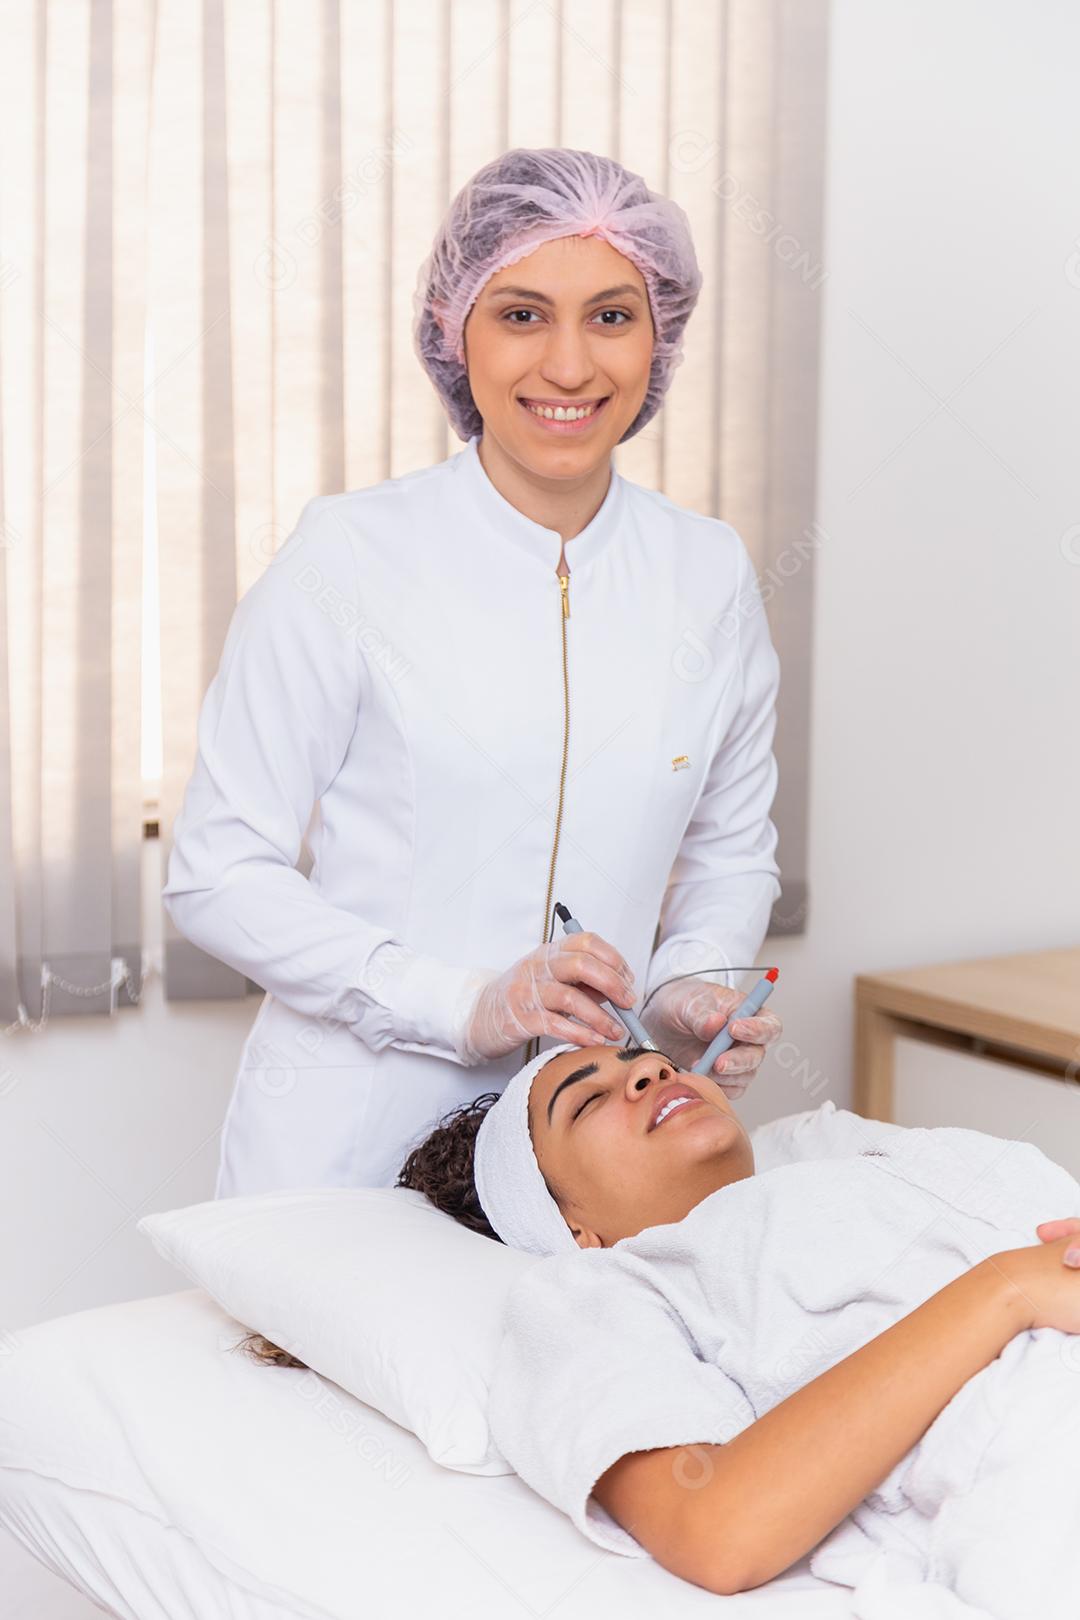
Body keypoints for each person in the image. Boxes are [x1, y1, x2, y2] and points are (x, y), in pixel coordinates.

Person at [162, 146, 784, 1199]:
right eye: (523, 314)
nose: (571, 368)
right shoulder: (348, 559)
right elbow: (217, 873)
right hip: (347, 1142)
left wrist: (694, 982)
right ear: (458, 330)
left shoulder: (707, 573)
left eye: (612, 316)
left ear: (660, 336)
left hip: (593, 1173)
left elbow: (730, 849)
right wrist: (459, 1003)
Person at [240, 1039, 1080, 1610]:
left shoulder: (836, 1153)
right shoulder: (596, 1296)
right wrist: (1004, 1291)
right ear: (568, 1224)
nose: (646, 1073)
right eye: (589, 1100)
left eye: (651, 1059)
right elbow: (718, 1528)